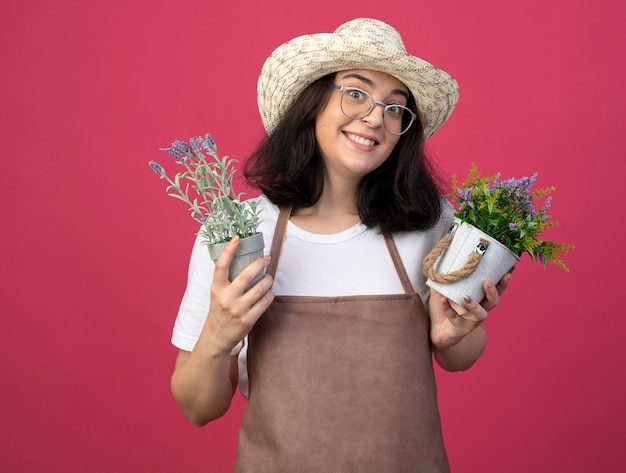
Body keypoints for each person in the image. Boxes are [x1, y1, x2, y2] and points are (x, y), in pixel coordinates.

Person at [169, 18, 511, 472]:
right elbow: (198, 408)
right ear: (312, 102)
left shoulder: (430, 222)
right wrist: (218, 334)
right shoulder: (240, 231)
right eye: (356, 92)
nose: (376, 118)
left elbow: (460, 356)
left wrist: (453, 336)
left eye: (396, 108)